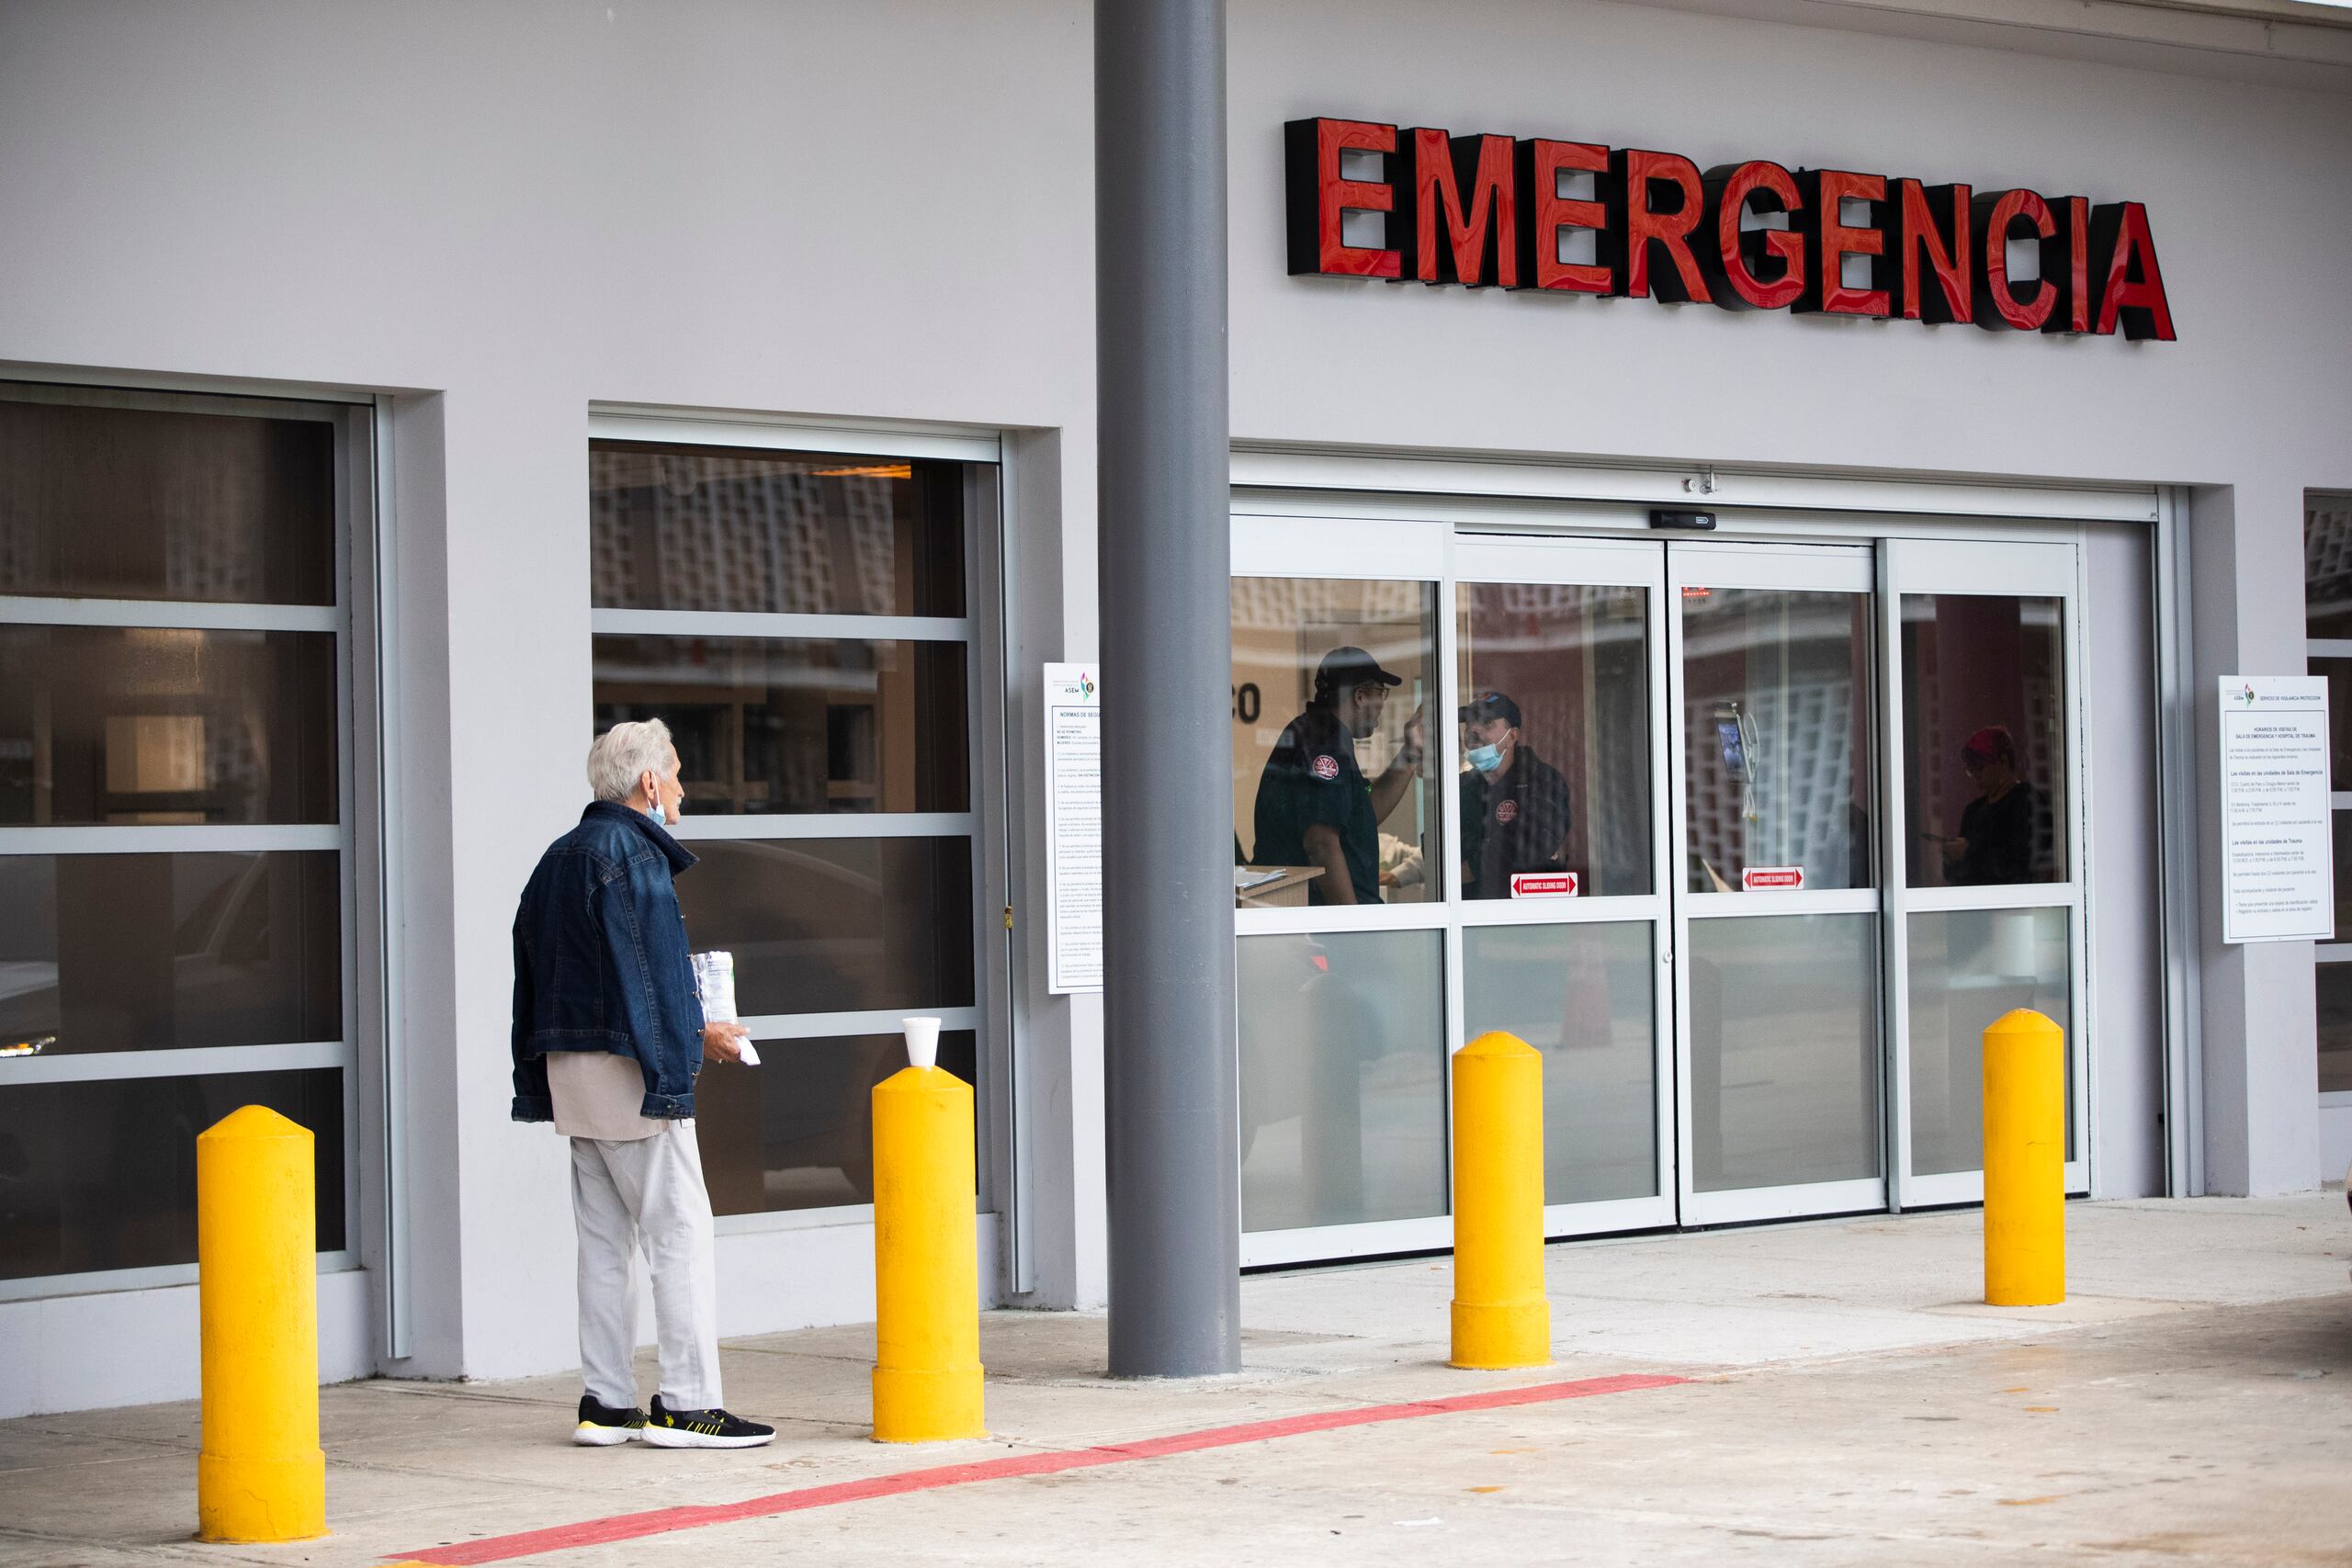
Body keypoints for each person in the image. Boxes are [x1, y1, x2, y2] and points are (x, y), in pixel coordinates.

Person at [511, 718, 775, 1450]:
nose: (684, 789)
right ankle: (689, 1404)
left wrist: (537, 1072)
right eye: (679, 773)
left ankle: (606, 1402)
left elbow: (529, 972)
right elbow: (652, 974)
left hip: (568, 1070)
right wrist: (699, 1038)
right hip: (629, 1072)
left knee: (603, 1241)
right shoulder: (634, 855)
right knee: (680, 1232)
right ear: (649, 782)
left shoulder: (557, 858)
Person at [1251, 647, 1424, 906]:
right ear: (1361, 696)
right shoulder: (1324, 741)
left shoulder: (1323, 735)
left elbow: (1363, 815)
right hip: (1322, 921)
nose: (1381, 705)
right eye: (1380, 693)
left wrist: (1410, 754)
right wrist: (1351, 923)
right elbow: (1321, 843)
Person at [1457, 690, 1575, 899]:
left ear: (1512, 736)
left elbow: (1530, 849)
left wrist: (1469, 868)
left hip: (1529, 919)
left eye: (1486, 723)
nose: (1473, 730)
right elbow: (1434, 849)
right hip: (1468, 919)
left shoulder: (1544, 781)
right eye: (1469, 724)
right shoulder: (1461, 786)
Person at [1938, 725, 2037, 886]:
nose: (1975, 776)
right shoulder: (1973, 810)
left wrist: (1967, 852)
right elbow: (1955, 876)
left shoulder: (2025, 800)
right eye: (1971, 770)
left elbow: (2019, 864)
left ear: (2003, 762)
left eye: (1980, 768)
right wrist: (1950, 859)